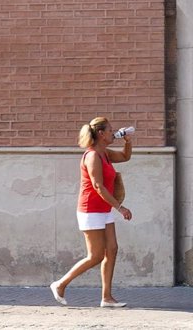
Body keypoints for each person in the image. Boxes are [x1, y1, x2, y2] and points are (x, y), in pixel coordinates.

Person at [50, 117, 133, 308]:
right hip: (91, 210)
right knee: (95, 255)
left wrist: (128, 142)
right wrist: (120, 208)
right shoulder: (92, 156)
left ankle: (107, 298)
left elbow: (125, 157)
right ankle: (60, 284)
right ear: (101, 134)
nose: (114, 133)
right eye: (110, 130)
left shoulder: (105, 153)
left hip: (104, 209)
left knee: (111, 250)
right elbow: (98, 186)